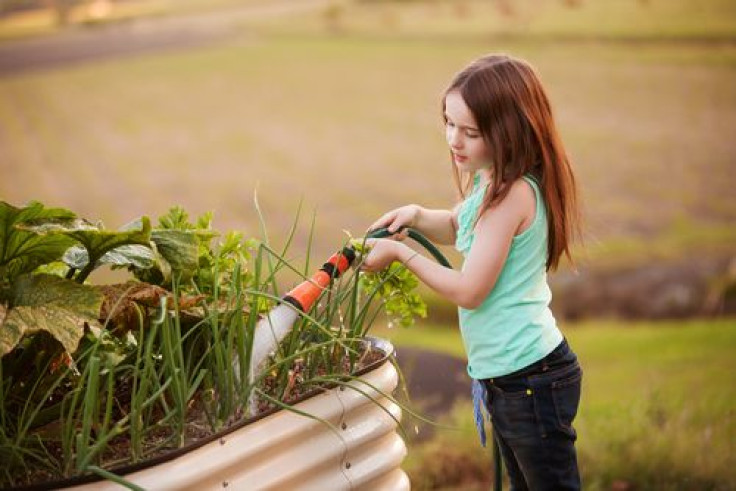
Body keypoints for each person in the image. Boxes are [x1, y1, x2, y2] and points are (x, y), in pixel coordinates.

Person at [361, 54, 584, 490]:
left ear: (508, 131)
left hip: (531, 380)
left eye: (471, 132)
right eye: (449, 124)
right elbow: (457, 225)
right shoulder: (491, 180)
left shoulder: (512, 197)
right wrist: (417, 214)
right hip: (512, 378)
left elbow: (470, 290)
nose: (454, 140)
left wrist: (401, 254)